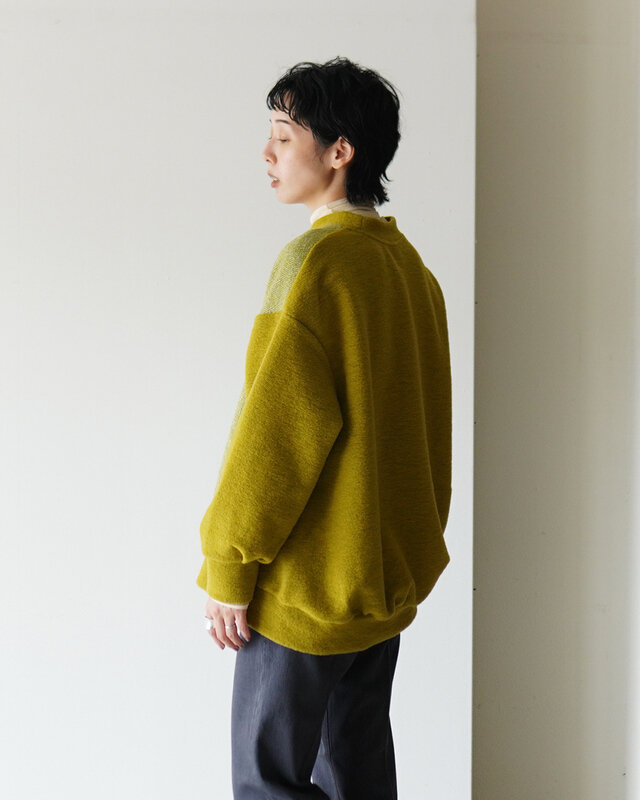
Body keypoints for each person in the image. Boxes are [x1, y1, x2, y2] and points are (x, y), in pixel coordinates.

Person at [197, 56, 452, 799]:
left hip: (306, 590)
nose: (268, 153)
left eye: (284, 135)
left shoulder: (315, 264)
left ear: (340, 150)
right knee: (358, 773)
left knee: (269, 782)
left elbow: (274, 435)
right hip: (376, 586)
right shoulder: (409, 269)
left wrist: (229, 565)